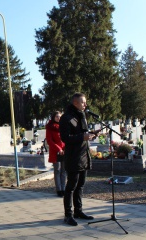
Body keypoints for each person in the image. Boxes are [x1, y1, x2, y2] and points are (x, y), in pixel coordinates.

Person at [59, 92, 95, 226]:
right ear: (75, 103)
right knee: (71, 187)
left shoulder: (81, 115)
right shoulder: (66, 118)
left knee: (80, 186)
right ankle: (68, 215)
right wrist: (82, 137)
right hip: (73, 157)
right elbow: (65, 138)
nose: (85, 104)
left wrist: (90, 136)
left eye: (85, 102)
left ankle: (78, 211)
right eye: (83, 102)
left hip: (84, 155)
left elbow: (82, 133)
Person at [46, 111, 66, 197]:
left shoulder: (64, 126)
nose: (58, 118)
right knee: (57, 170)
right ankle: (59, 189)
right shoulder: (50, 127)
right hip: (56, 151)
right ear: (54, 117)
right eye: (57, 116)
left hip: (65, 151)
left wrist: (65, 148)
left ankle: (64, 188)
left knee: (64, 171)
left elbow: (66, 138)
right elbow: (49, 141)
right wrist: (59, 149)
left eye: (60, 117)